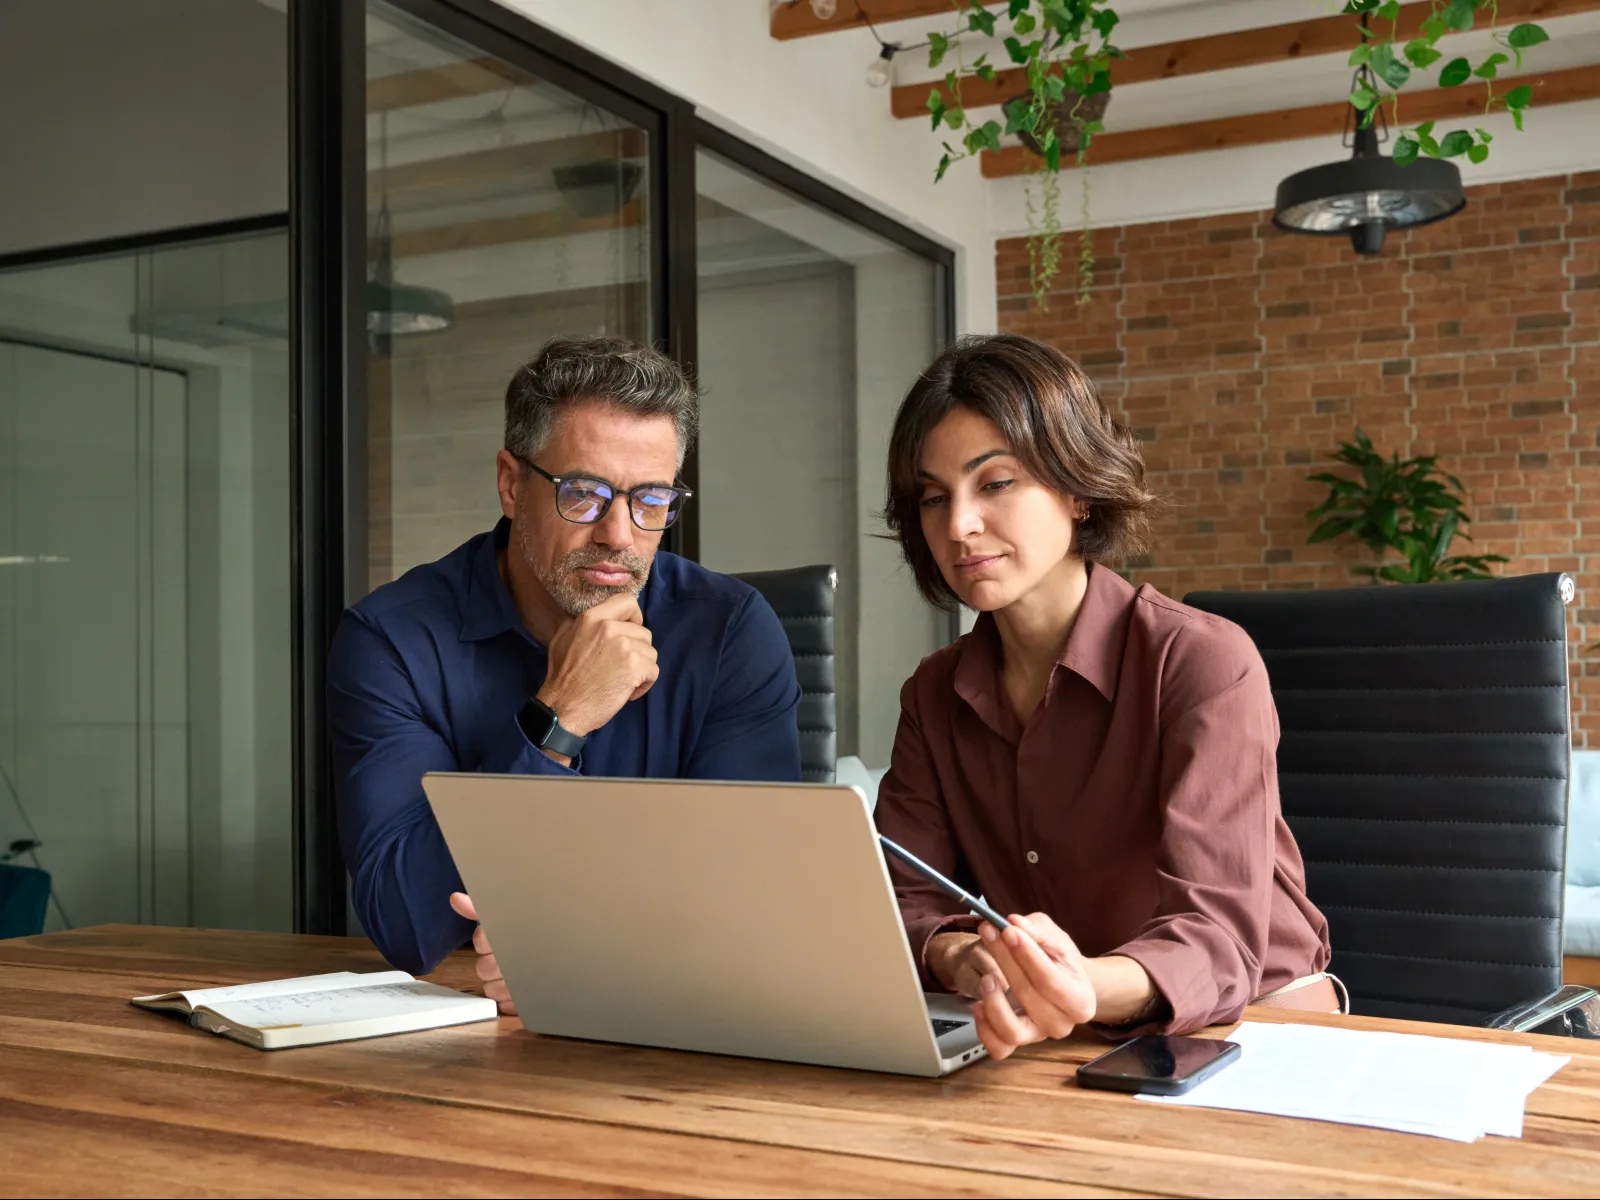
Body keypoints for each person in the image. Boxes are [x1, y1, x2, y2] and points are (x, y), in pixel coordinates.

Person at [874, 333, 1333, 1062]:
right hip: (1059, 1038)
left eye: (995, 483)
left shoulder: (1202, 662)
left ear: (1078, 490)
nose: (958, 525)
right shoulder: (934, 693)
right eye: (934, 497)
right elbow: (897, 898)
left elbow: (1216, 941)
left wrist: (1083, 983)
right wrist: (961, 956)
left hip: (1258, 1033)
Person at [329, 336, 802, 987]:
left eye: (652, 500)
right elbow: (408, 925)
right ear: (510, 484)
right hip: (458, 1034)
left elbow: (757, 905)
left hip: (680, 1022)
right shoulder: (392, 641)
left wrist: (578, 954)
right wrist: (557, 719)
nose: (619, 535)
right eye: (584, 494)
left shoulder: (730, 633)